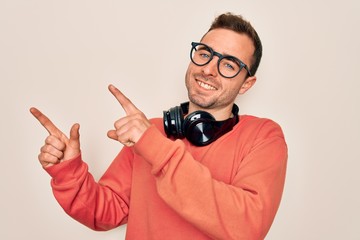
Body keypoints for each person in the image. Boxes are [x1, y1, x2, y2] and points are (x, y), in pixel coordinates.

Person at [30, 12, 287, 240]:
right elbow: (105, 211)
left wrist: (154, 147)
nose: (209, 69)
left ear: (246, 84)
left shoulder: (264, 137)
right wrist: (68, 172)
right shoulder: (150, 132)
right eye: (205, 54)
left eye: (229, 64)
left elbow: (246, 228)